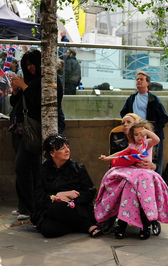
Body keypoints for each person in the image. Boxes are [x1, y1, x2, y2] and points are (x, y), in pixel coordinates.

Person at [94, 116, 168, 240]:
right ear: (132, 135)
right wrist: (107, 158)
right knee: (127, 182)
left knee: (137, 183)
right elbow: (120, 154)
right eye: (136, 135)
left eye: (142, 134)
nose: (139, 137)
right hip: (132, 172)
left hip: (145, 173)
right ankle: (122, 223)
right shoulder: (132, 146)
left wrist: (146, 133)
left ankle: (143, 224)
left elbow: (156, 139)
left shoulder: (147, 143)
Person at [31, 134, 101, 238]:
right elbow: (39, 196)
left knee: (61, 207)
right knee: (48, 230)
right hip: (52, 208)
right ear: (52, 153)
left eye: (67, 147)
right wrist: (57, 195)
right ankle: (82, 226)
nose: (67, 150)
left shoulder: (78, 168)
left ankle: (84, 225)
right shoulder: (43, 170)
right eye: (62, 148)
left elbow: (90, 192)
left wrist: (70, 199)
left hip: (76, 207)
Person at [9, 50, 42, 220]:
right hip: (20, 129)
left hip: (33, 130)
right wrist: (15, 91)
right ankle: (25, 206)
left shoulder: (44, 81)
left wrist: (24, 87)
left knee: (23, 166)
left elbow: (37, 103)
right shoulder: (27, 80)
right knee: (27, 168)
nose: (30, 67)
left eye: (32, 63)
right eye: (27, 64)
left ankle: (30, 207)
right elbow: (15, 104)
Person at [120, 71, 168, 175]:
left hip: (152, 135)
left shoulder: (153, 99)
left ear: (148, 83)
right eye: (137, 79)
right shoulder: (131, 98)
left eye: (141, 79)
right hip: (137, 135)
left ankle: (157, 185)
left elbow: (164, 118)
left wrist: (151, 130)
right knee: (137, 163)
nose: (138, 81)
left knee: (154, 163)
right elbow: (123, 113)